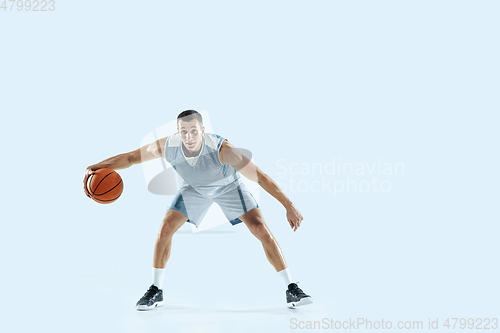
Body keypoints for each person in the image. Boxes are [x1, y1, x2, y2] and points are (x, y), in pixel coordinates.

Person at [83, 110, 313, 310]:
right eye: (183, 131)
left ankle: (291, 287)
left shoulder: (224, 150)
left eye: (193, 131)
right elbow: (131, 158)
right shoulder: (168, 146)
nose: (189, 136)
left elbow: (260, 176)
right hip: (194, 189)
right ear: (178, 131)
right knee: (165, 227)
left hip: (229, 187)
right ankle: (156, 289)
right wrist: (96, 166)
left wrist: (289, 206)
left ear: (203, 130)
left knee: (260, 228)